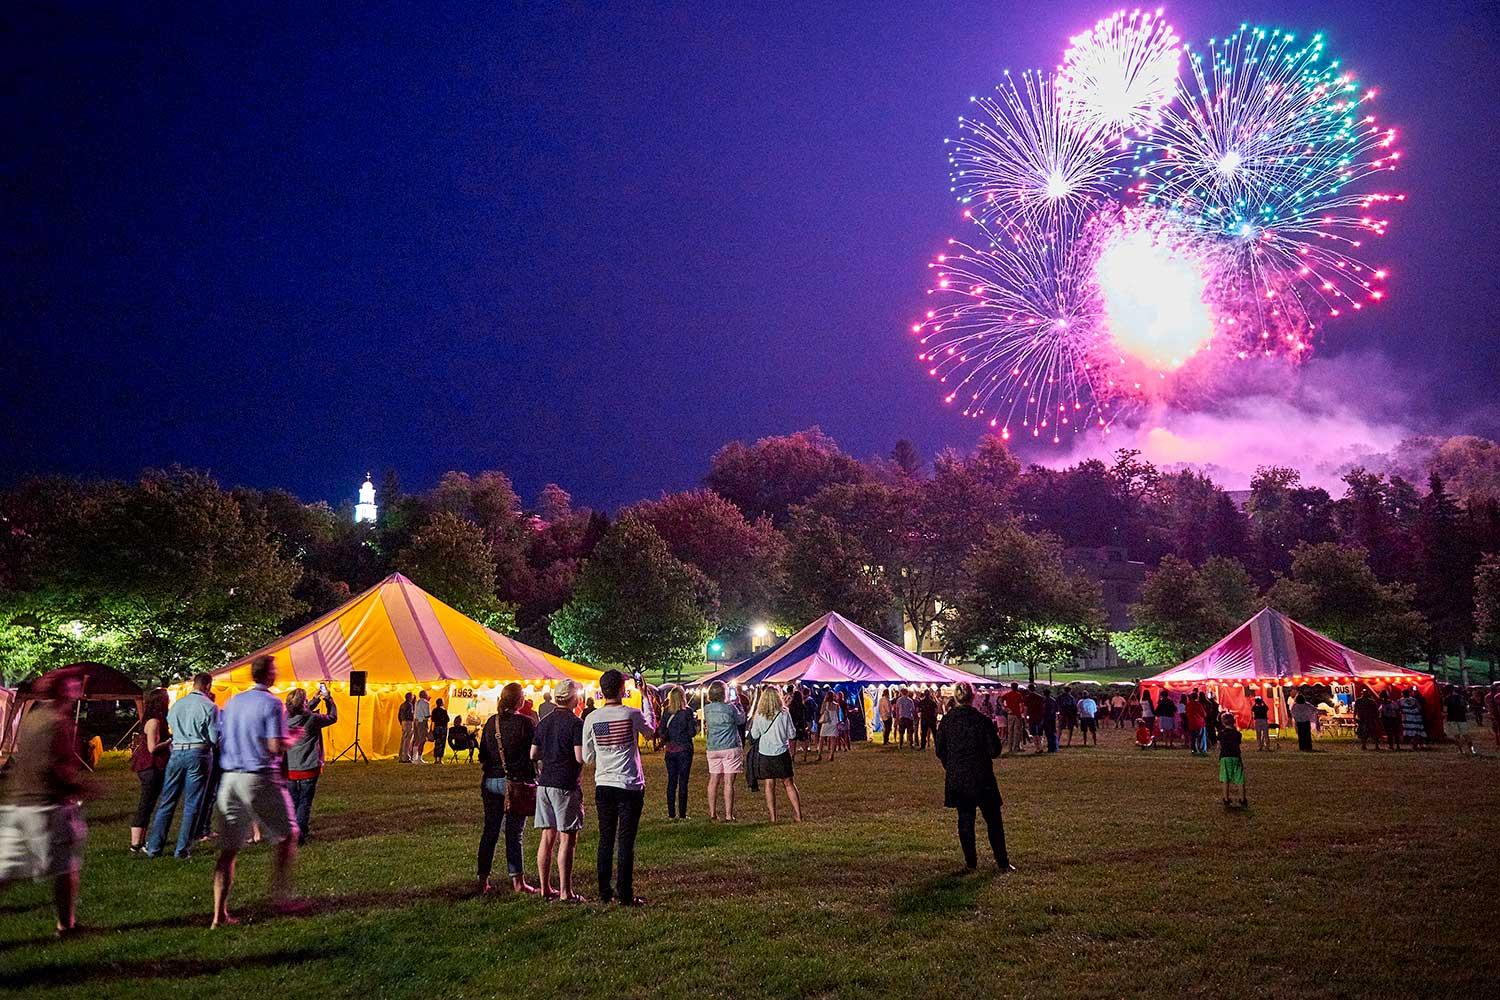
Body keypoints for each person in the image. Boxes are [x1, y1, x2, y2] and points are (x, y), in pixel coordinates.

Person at [0, 666, 93, 936]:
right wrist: (84, 787)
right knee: (66, 867)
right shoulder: (58, 722)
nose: (79, 686)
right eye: (74, 682)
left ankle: (67, 924)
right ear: (64, 689)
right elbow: (54, 767)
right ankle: (66, 925)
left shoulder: (32, 718)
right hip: (48, 806)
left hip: (18, 803)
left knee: (5, 870)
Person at [212, 655, 302, 928]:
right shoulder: (273, 703)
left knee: (228, 850)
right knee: (288, 836)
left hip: (229, 780)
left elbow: (221, 735)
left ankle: (218, 915)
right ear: (270, 675)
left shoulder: (233, 701)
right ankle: (281, 895)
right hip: (259, 776)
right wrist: (293, 737)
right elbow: (275, 746)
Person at [584, 669, 656, 906]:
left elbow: (587, 756)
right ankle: (624, 893)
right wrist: (646, 697)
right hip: (629, 784)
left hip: (604, 783)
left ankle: (604, 891)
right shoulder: (631, 714)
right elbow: (651, 731)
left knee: (606, 838)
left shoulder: (592, 719)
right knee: (625, 841)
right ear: (621, 690)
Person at [934, 682, 1013, 873]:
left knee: (965, 819)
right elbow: (994, 750)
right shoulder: (982, 720)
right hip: (982, 775)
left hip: (959, 776)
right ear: (973, 697)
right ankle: (1002, 861)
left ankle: (971, 863)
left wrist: (950, 765)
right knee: (993, 820)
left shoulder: (947, 721)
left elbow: (940, 750)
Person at [147, 672, 220, 859]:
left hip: (177, 751)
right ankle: (182, 849)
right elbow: (213, 738)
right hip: (198, 752)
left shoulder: (177, 705)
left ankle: (154, 846)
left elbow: (171, 727)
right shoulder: (210, 707)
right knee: (192, 802)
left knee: (167, 800)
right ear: (208, 686)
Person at [478, 683, 539, 895]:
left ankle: (483, 879)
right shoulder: (526, 723)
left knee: (490, 830)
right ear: (519, 701)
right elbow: (534, 754)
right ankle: (518, 882)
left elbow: (482, 754)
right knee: (514, 833)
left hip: (490, 781)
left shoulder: (490, 723)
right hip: (514, 782)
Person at [531, 679, 586, 902]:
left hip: (544, 784)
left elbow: (533, 754)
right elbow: (579, 756)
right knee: (567, 838)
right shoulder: (575, 723)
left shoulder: (544, 722)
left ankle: (545, 888)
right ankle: (565, 892)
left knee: (547, 836)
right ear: (574, 699)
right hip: (565, 783)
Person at [284, 685, 337, 845]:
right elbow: (332, 717)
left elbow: (300, 711)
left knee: (293, 802)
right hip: (308, 767)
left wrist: (315, 699)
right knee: (304, 802)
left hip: (290, 767)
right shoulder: (313, 719)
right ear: (303, 703)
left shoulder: (285, 717)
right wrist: (328, 699)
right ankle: (299, 836)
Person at [749, 687, 802, 823]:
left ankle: (773, 817)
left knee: (769, 784)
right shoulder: (784, 713)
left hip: (765, 753)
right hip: (782, 752)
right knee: (789, 783)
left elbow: (754, 735)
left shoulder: (759, 715)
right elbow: (792, 734)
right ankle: (798, 814)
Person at [129, 688, 172, 853]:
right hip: (150, 766)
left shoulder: (155, 719)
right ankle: (135, 843)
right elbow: (152, 748)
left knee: (149, 804)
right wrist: (169, 742)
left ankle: (141, 840)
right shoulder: (154, 722)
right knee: (145, 804)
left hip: (152, 766)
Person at [702, 681, 746, 821]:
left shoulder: (707, 709)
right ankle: (728, 814)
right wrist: (738, 705)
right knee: (728, 782)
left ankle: (713, 813)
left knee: (713, 780)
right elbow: (741, 720)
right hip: (730, 746)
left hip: (713, 747)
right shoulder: (730, 708)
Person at [659, 687, 698, 819]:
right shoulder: (687, 712)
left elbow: (661, 731)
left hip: (670, 750)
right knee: (683, 782)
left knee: (671, 781)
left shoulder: (666, 712)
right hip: (684, 750)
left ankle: (671, 814)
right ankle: (682, 814)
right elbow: (692, 732)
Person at [1217, 712, 1247, 808]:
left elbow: (1219, 746)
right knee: (1239, 779)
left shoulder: (1221, 734)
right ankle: (1242, 799)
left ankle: (1226, 798)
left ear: (1223, 722)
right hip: (1236, 757)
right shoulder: (1237, 734)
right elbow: (1238, 743)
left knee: (1225, 778)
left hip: (1225, 757)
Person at [1444, 684, 1476, 756]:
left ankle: (1461, 750)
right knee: (1466, 735)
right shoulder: (1461, 697)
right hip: (1462, 718)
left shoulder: (1447, 699)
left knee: (1457, 736)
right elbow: (1467, 707)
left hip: (1451, 718)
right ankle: (1472, 750)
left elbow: (1445, 710)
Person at [1001, 683, 1026, 754]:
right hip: (1017, 715)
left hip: (1010, 714)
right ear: (1017, 687)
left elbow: (1000, 700)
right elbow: (1021, 705)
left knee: (1010, 732)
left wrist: (1004, 707)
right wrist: (1021, 712)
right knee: (1017, 732)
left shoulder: (1008, 694)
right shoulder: (1018, 695)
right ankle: (1016, 747)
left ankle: (1010, 748)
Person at [818, 692, 842, 762]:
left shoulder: (825, 704)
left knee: (821, 738)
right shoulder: (836, 705)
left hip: (827, 722)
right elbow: (837, 715)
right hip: (834, 722)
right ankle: (831, 754)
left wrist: (824, 702)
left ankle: (819, 754)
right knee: (832, 739)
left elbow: (821, 712)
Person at [412, 690, 432, 763]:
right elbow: (427, 715)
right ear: (424, 695)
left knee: (416, 739)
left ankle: (414, 758)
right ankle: (419, 758)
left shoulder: (417, 702)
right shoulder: (426, 703)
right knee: (422, 740)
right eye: (427, 694)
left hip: (416, 721)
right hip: (422, 722)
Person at [1185, 692, 1207, 756]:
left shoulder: (1188, 704)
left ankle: (1194, 749)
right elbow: (1204, 714)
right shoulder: (1198, 704)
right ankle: (1202, 749)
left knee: (1193, 737)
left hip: (1191, 723)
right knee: (1201, 737)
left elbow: (1186, 712)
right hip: (1200, 723)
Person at [431, 698, 450, 765]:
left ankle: (436, 759)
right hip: (442, 729)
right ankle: (440, 759)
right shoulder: (444, 711)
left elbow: (432, 719)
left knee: (437, 743)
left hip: (436, 728)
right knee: (442, 744)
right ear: (442, 703)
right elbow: (447, 719)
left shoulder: (434, 710)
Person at [398, 693, 416, 763]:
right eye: (412, 696)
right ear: (409, 697)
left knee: (403, 739)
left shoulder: (402, 705)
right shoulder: (409, 705)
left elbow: (399, 714)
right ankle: (406, 757)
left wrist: (401, 722)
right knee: (408, 740)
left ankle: (401, 756)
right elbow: (411, 714)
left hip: (403, 722)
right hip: (408, 722)